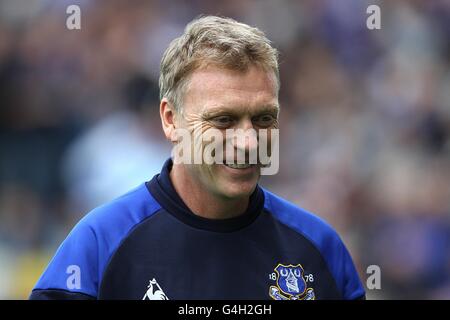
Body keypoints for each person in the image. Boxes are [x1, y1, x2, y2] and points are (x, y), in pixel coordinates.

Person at [30, 15, 365, 300]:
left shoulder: (319, 249)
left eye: (263, 118)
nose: (248, 141)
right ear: (170, 120)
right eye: (223, 120)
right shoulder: (99, 246)